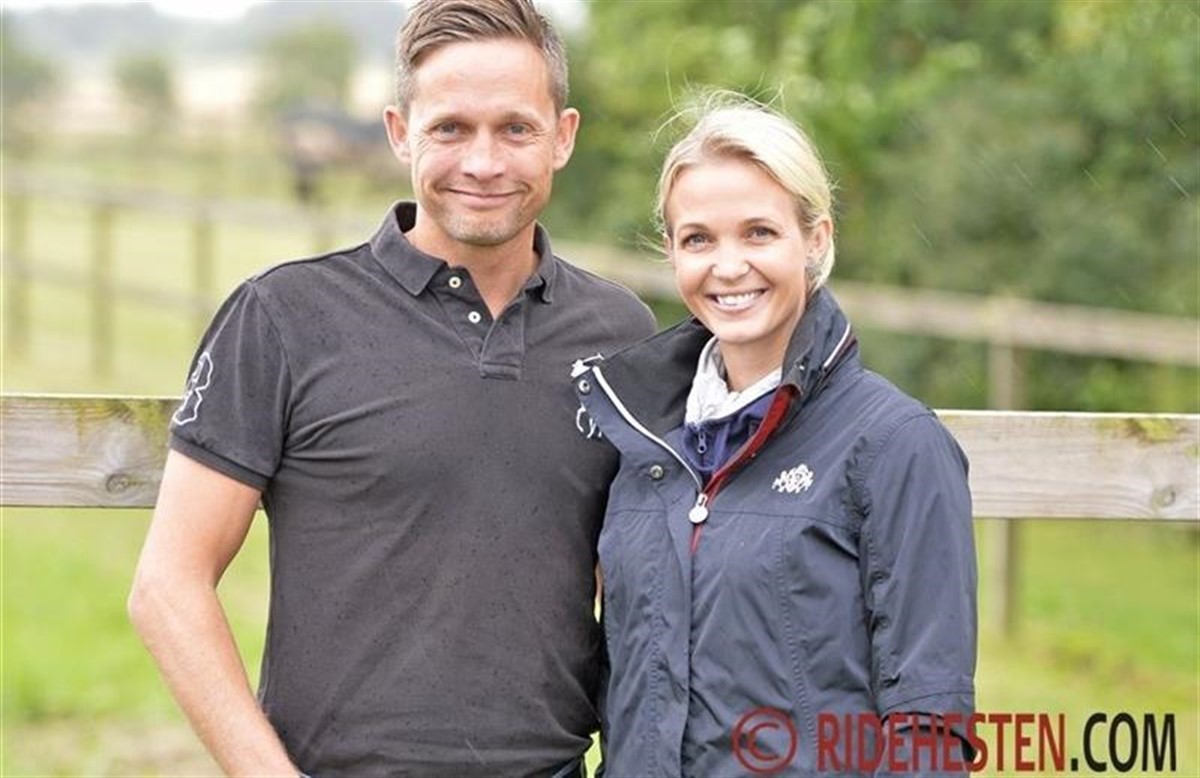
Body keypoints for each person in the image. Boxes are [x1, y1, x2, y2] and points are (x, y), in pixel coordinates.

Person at [128, 1, 655, 775]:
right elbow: (168, 586)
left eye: (515, 128)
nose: (483, 162)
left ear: (564, 136)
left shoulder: (623, 333)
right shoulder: (284, 318)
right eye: (451, 128)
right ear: (400, 131)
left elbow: (641, 578)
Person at [572, 95, 977, 777]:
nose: (729, 266)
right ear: (671, 251)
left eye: (759, 233)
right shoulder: (642, 443)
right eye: (699, 239)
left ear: (815, 240)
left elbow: (930, 728)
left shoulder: (896, 443)